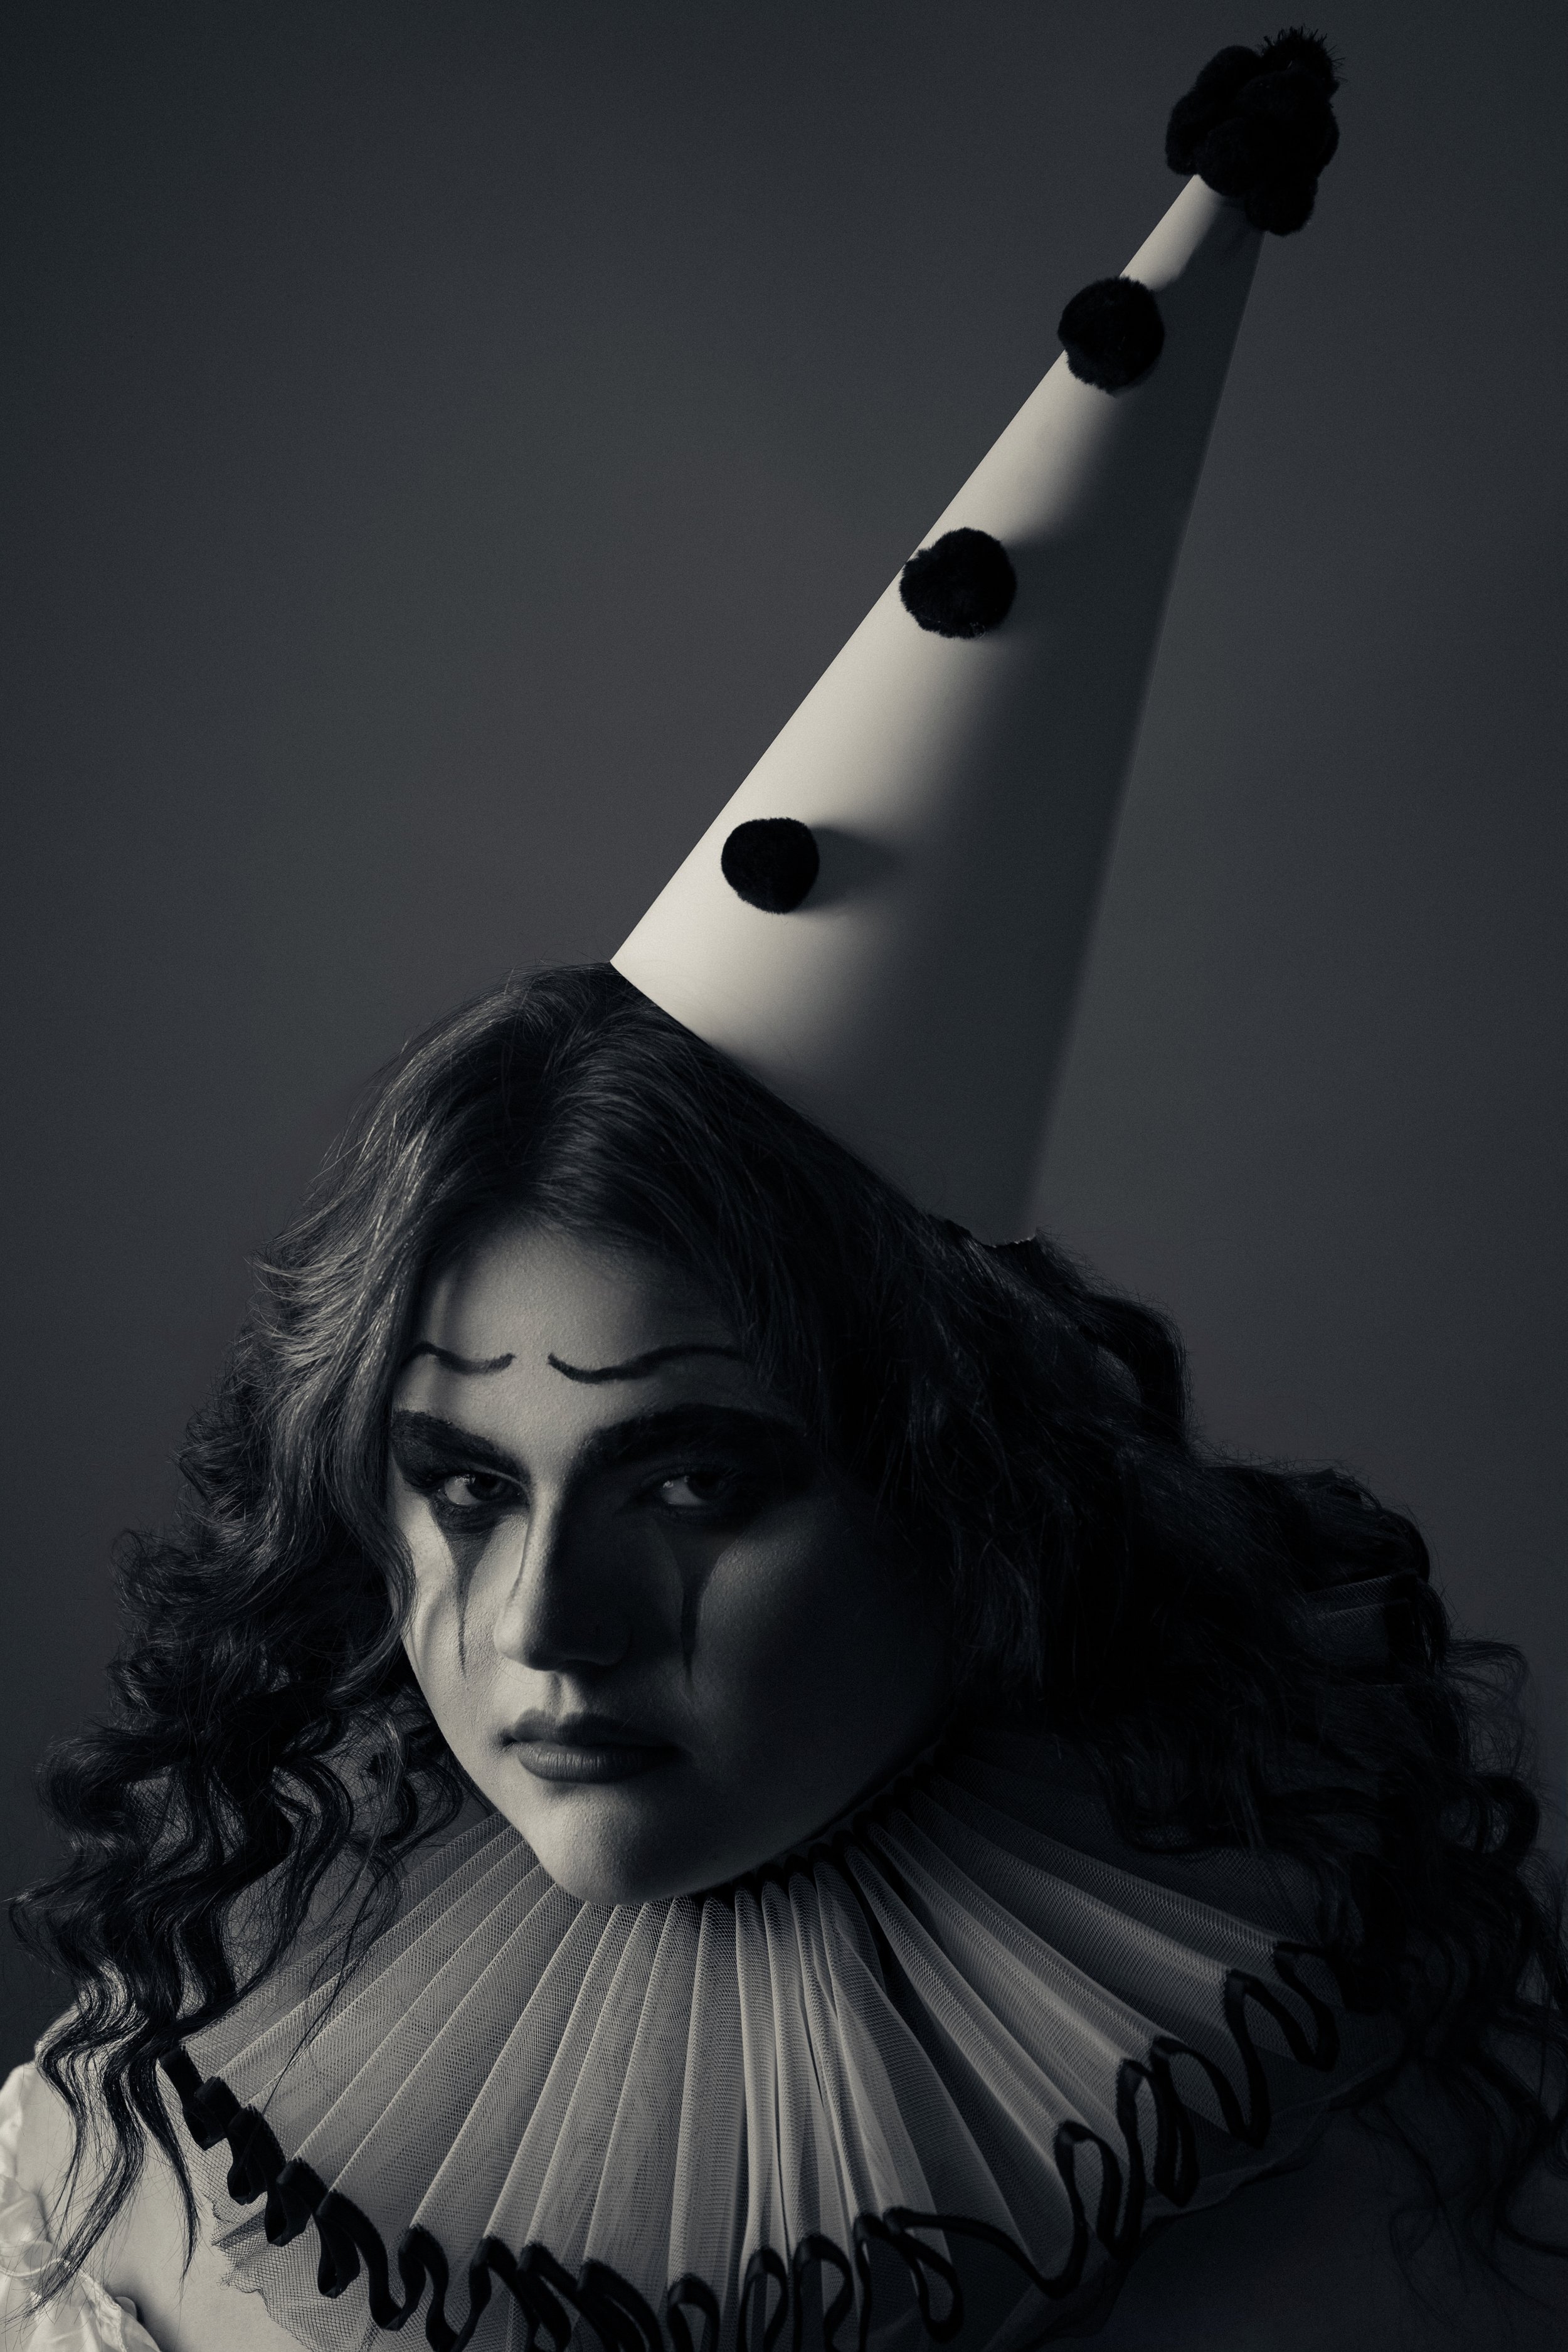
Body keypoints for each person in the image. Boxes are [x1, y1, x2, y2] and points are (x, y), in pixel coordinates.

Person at [5, 32, 1565, 2352]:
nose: (545, 1632)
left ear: (972, 1500)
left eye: (698, 1477)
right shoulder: (146, 2115)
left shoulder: (1366, 2173)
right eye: (455, 1479)